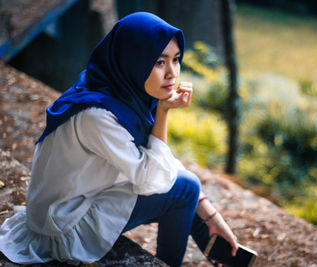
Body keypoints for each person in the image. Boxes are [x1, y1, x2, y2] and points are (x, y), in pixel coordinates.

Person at [0, 12, 237, 267]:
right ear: (133, 60)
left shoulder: (116, 91)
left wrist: (210, 216)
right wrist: (163, 112)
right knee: (184, 188)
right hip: (65, 227)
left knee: (185, 187)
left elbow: (160, 161)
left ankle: (222, 255)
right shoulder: (97, 116)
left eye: (176, 60)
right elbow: (152, 179)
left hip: (75, 203)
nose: (172, 73)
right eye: (159, 62)